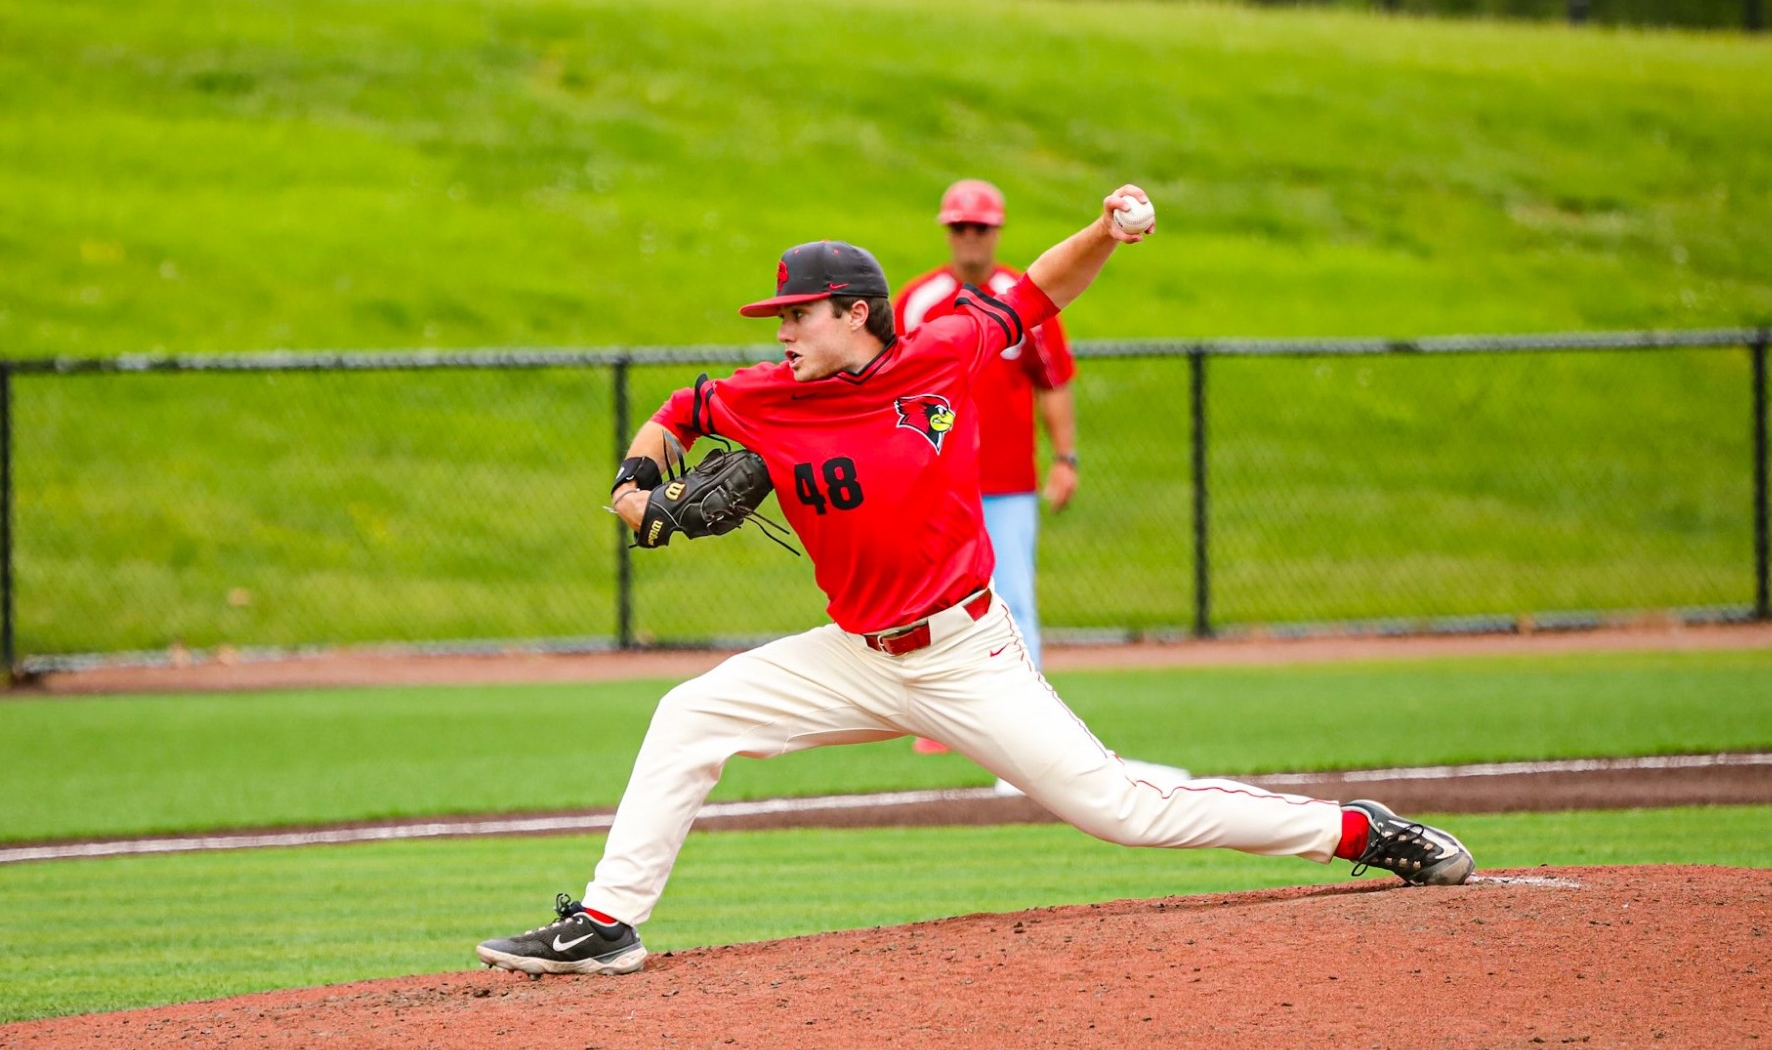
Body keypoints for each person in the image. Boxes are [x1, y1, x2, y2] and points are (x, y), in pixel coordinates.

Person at [474, 185, 1475, 978]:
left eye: (796, 312)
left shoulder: (943, 351)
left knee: (1121, 808)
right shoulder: (764, 395)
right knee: (691, 714)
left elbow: (1038, 289)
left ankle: (1356, 829)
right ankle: (607, 924)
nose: (780, 328)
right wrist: (635, 483)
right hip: (851, 654)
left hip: (965, 652)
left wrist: (1103, 229)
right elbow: (676, 411)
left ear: (853, 312)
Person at [895, 180, 1073, 773]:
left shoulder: (1025, 301)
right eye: (960, 227)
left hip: (1007, 480)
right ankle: (939, 719)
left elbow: (1053, 381)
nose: (970, 237)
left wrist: (1065, 458)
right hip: (935, 486)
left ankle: (1032, 719)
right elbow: (889, 390)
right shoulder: (918, 301)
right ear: (949, 232)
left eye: (980, 227)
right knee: (932, 601)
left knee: (1015, 599)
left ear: (996, 232)